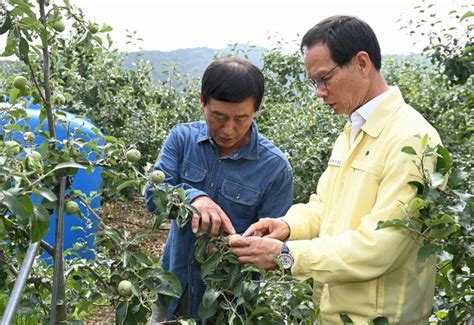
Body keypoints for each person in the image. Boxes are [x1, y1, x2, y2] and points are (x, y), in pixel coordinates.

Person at [230, 15, 442, 324]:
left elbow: (381, 247)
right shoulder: (351, 132)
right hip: (332, 314)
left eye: (324, 78)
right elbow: (324, 206)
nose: (319, 91)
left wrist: (287, 255)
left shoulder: (411, 140)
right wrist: (288, 226)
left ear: (361, 63)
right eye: (313, 82)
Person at [145, 57, 293, 321]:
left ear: (256, 109)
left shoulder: (275, 168)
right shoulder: (182, 140)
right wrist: (193, 198)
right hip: (172, 288)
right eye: (219, 116)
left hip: (228, 303)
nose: (228, 129)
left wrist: (238, 250)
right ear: (202, 101)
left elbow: (275, 249)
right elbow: (152, 197)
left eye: (241, 118)